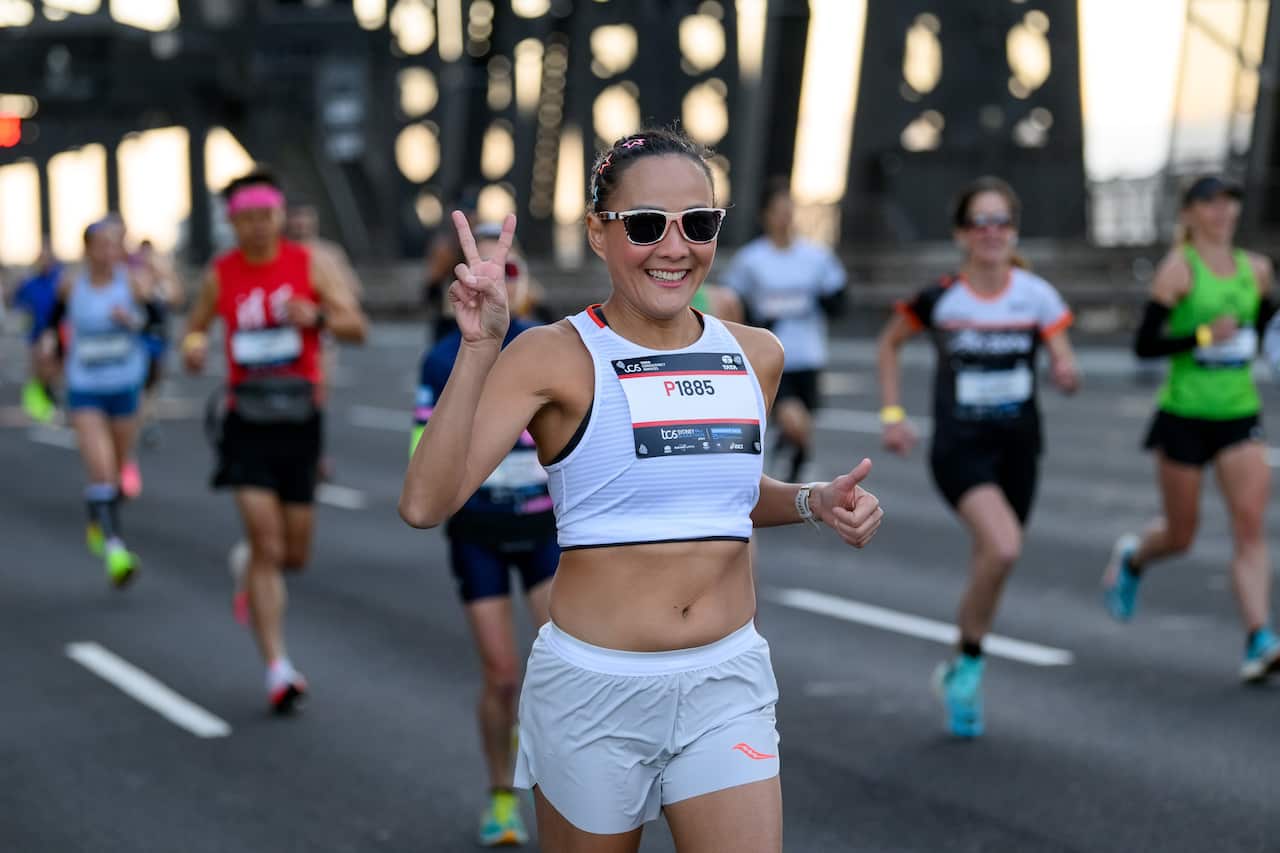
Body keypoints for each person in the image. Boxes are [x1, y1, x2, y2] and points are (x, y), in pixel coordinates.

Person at [401, 128, 883, 852]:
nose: (674, 246)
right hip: (596, 691)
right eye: (647, 224)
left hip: (727, 680)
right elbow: (425, 503)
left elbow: (722, 495)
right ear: (599, 231)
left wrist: (813, 500)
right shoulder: (552, 356)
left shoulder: (756, 354)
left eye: (699, 223)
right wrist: (477, 348)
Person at [877, 176, 1080, 738]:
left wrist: (1066, 372)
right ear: (963, 234)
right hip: (959, 449)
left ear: (1013, 231)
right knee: (1004, 545)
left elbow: (1065, 358)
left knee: (992, 561)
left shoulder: (1034, 294)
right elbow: (889, 343)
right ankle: (968, 664)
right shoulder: (941, 298)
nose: (992, 233)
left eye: (1002, 223)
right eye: (981, 223)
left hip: (1018, 448)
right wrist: (893, 416)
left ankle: (962, 665)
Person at [181, 168, 368, 713]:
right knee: (266, 545)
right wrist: (193, 347)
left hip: (300, 419)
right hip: (246, 420)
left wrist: (319, 315)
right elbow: (193, 327)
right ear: (233, 222)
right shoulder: (221, 273)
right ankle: (277, 668)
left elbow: (358, 326)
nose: (258, 227)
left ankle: (251, 571)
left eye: (266, 216)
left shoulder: (310, 263)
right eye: (246, 219)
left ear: (280, 216)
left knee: (294, 554)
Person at [410, 223, 557, 846]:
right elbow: (423, 452)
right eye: (493, 275)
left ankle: (567, 794)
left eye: (514, 274)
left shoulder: (549, 348)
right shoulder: (447, 354)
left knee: (560, 671)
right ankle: (501, 796)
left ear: (526, 286)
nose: (505, 283)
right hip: (478, 534)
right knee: (502, 675)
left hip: (548, 531)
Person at [1104, 175, 1280, 683]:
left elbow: (1268, 331)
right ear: (1189, 213)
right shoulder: (1179, 271)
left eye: (1230, 201)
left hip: (1239, 413)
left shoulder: (1257, 270)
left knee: (1249, 528)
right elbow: (1144, 345)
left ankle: (1258, 638)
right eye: (1210, 203)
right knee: (1182, 536)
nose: (1223, 211)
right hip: (1183, 416)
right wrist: (1202, 333)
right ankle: (1135, 557)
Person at [40, 219, 152, 586]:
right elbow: (53, 324)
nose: (107, 252)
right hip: (85, 386)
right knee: (100, 470)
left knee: (117, 476)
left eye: (113, 245)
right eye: (100, 245)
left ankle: (97, 516)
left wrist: (132, 320)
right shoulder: (71, 284)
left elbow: (157, 326)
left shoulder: (132, 282)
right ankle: (116, 550)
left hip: (124, 385)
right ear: (87, 249)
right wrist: (50, 351)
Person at [723, 177, 846, 482]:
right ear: (765, 216)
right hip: (772, 356)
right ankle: (792, 456)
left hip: (810, 354)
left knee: (804, 423)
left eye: (789, 210)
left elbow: (840, 299)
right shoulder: (751, 261)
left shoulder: (816, 258)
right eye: (778, 211)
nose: (785, 217)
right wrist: (756, 322)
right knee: (794, 419)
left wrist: (824, 300)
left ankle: (792, 457)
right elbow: (730, 304)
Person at [11, 241, 62, 423]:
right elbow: (16, 301)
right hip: (37, 332)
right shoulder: (31, 283)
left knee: (52, 369)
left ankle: (46, 402)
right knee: (38, 368)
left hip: (55, 330)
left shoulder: (59, 280)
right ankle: (37, 405)